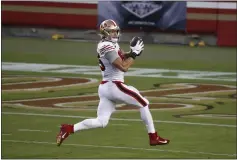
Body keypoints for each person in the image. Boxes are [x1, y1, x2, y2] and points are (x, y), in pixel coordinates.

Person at [56, 19, 170, 146]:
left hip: (106, 88)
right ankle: (153, 137)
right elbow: (123, 67)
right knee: (144, 103)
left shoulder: (109, 44)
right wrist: (135, 54)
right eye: (111, 32)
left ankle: (68, 129)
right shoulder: (106, 46)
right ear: (104, 33)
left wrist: (131, 52)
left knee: (101, 122)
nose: (115, 34)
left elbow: (120, 57)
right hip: (114, 85)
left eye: (116, 31)